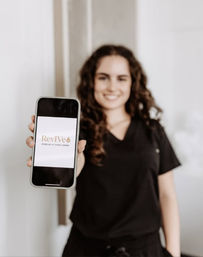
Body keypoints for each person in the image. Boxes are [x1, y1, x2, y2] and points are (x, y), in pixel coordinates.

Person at [26, 45, 181, 257]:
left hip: (144, 249)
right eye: (103, 77)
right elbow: (73, 167)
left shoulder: (153, 131)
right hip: (87, 249)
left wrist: (173, 252)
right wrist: (65, 160)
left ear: (133, 83)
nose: (111, 86)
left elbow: (167, 195)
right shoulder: (76, 130)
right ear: (91, 81)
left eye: (121, 78)